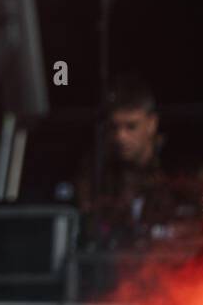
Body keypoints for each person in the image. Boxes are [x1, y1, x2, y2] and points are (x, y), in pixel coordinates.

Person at [76, 75, 193, 247]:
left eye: (131, 126)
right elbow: (88, 228)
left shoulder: (178, 168)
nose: (120, 137)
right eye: (114, 127)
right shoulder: (96, 171)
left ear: (152, 124)